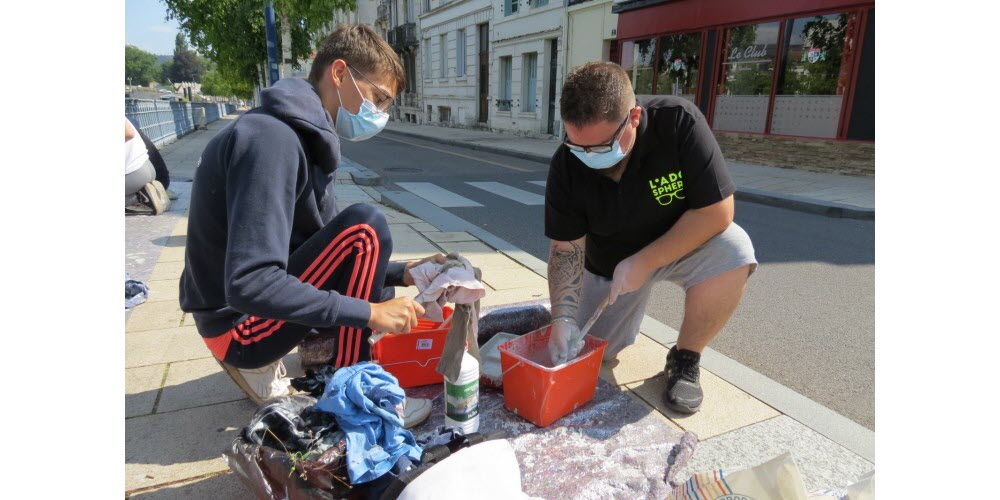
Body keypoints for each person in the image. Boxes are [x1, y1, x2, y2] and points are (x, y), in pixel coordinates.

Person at [179, 25, 439, 425]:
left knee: (366, 246)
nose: (382, 115)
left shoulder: (297, 134)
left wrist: (406, 273)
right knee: (366, 227)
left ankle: (330, 366)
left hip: (238, 318)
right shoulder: (272, 140)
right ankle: (353, 397)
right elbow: (250, 283)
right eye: (379, 98)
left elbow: (323, 257)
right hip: (238, 329)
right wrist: (371, 312)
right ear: (339, 74)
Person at [544, 62, 758, 414]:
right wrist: (563, 318)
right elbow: (566, 250)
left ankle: (685, 359)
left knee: (734, 249)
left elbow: (718, 211)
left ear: (635, 117)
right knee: (592, 353)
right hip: (609, 265)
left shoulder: (679, 122)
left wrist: (644, 261)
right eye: (578, 147)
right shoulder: (567, 164)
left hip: (680, 243)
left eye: (601, 147)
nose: (589, 159)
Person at [125, 117, 170, 215]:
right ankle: (145, 193)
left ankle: (139, 199)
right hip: (147, 167)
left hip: (134, 173)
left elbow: (128, 133)